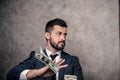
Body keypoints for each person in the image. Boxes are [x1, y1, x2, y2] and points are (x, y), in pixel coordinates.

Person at [7, 18, 84, 80]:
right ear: (47, 35)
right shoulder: (36, 56)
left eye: (65, 34)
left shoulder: (73, 60)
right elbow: (11, 75)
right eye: (59, 34)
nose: (63, 38)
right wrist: (36, 73)